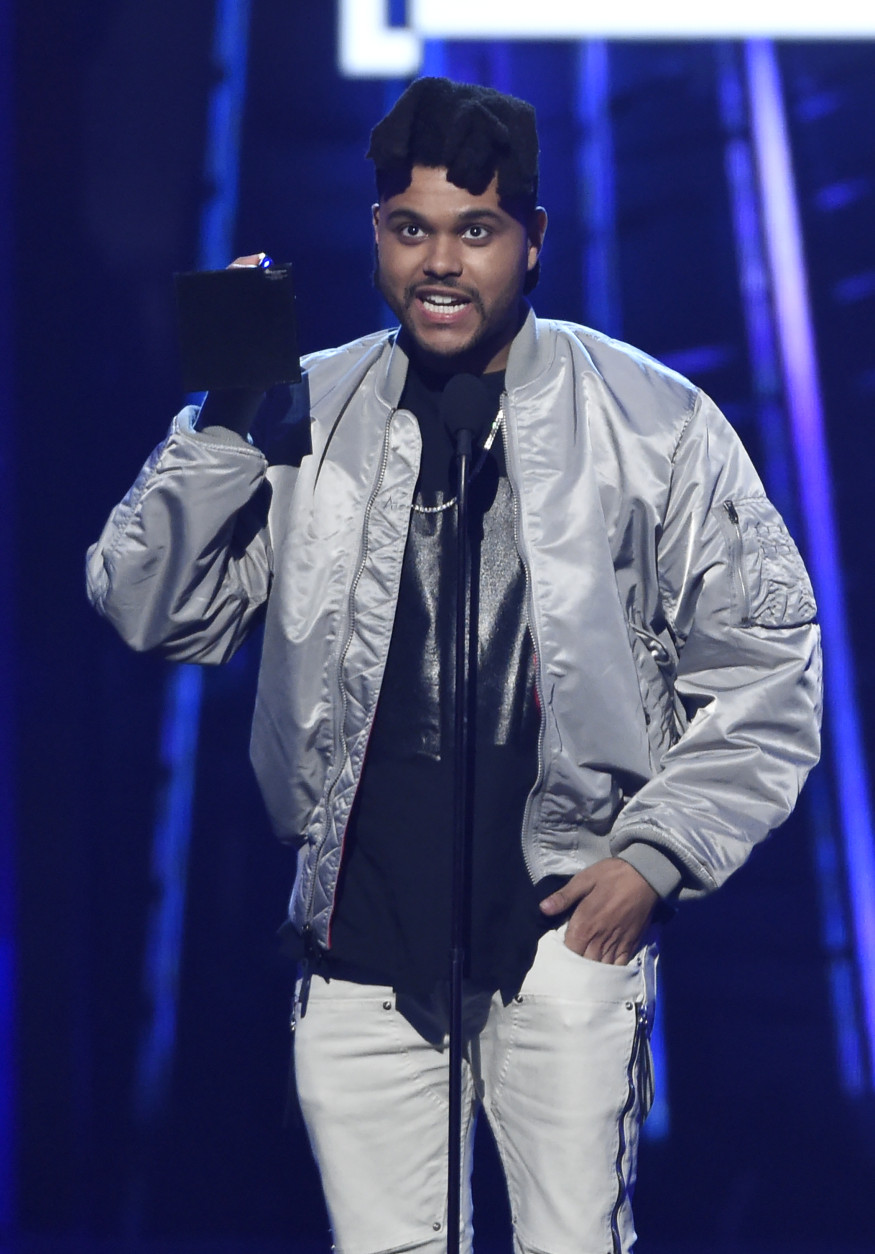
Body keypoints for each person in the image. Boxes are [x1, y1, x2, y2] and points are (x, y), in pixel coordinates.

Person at [87, 77, 822, 1254]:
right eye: (410, 227)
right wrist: (224, 412)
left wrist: (653, 860)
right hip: (358, 958)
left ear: (531, 238)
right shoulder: (301, 409)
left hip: (563, 942)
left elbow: (765, 665)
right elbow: (150, 607)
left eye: (474, 229)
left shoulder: (652, 420)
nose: (439, 261)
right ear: (376, 234)